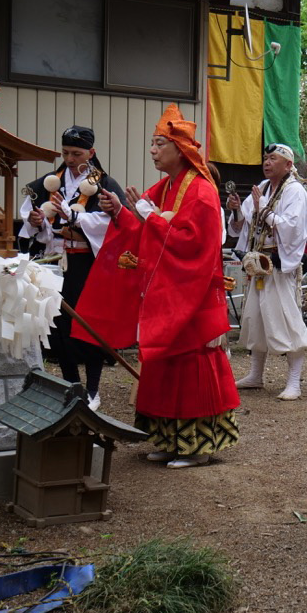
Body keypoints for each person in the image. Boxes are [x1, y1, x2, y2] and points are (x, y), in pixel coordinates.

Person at [73, 105, 240, 468]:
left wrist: (150, 218)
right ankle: (168, 439)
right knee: (164, 365)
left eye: (158, 143)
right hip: (168, 292)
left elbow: (195, 246)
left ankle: (198, 447)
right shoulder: (164, 188)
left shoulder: (201, 191)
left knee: (190, 366)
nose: (152, 150)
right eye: (151, 143)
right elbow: (142, 232)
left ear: (180, 149)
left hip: (193, 295)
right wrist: (120, 211)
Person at [18, 125, 125, 411]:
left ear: (91, 153)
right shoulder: (48, 182)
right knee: (57, 326)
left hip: (87, 263)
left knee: (88, 323)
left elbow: (113, 225)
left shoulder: (104, 185)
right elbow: (28, 219)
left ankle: (91, 389)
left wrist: (74, 219)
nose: (70, 159)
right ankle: (69, 384)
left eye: (77, 153)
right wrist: (37, 221)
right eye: (65, 153)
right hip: (54, 263)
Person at [227, 143, 307, 400]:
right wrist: (235, 208)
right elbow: (238, 227)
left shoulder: (294, 190)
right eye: (265, 158)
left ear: (288, 165)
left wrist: (263, 209)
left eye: (273, 158)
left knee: (287, 319)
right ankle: (256, 374)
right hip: (258, 264)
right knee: (256, 318)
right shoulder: (262, 189)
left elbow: (291, 229)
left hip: (279, 263)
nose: (267, 162)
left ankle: (294, 382)